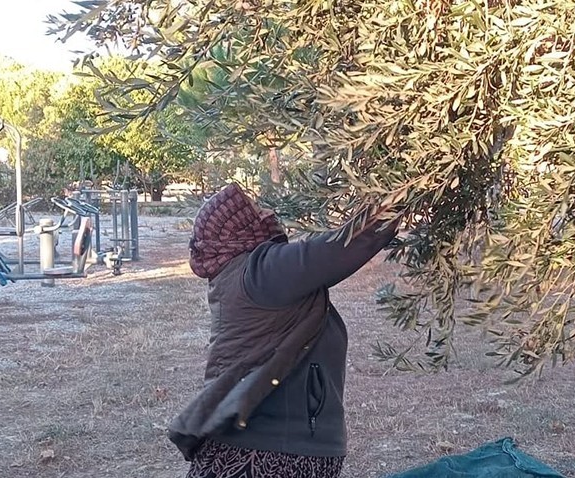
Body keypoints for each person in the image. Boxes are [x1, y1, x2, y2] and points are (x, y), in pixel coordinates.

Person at [169, 182, 401, 478]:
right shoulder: (259, 273)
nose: (267, 213)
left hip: (265, 450)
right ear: (238, 227)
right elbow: (346, 245)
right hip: (267, 454)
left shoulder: (241, 274)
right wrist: (404, 191)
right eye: (255, 211)